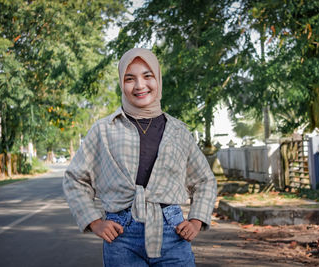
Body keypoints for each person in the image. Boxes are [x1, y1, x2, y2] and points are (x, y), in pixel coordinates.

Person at [63, 48, 217, 266]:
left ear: (158, 79)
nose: (139, 85)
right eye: (129, 78)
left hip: (173, 232)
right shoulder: (104, 130)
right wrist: (95, 222)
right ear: (121, 83)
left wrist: (196, 220)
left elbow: (205, 180)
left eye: (147, 76)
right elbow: (75, 178)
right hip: (120, 236)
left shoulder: (178, 131)